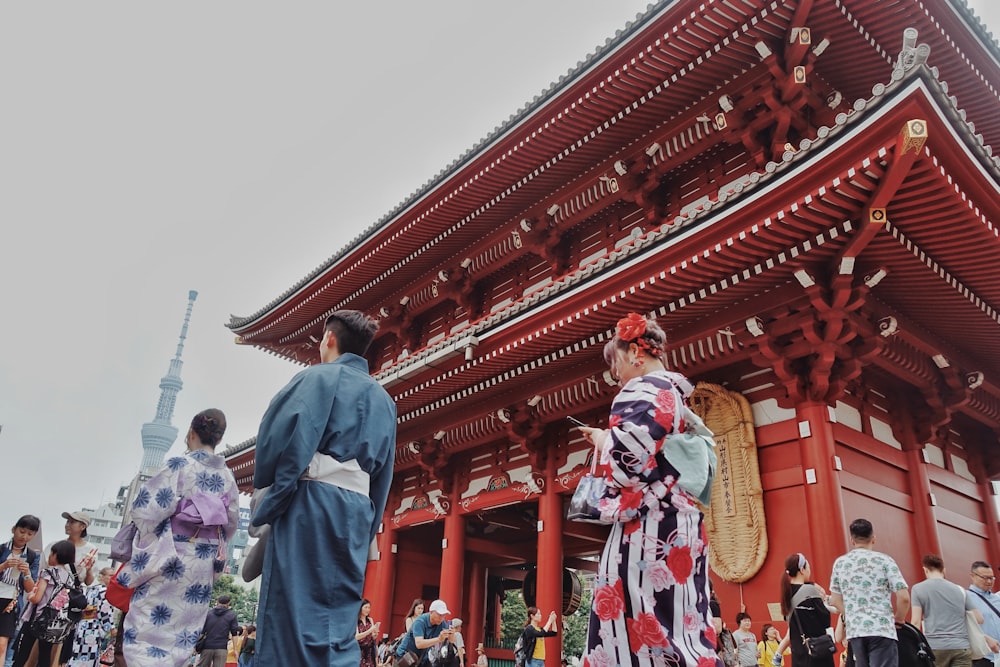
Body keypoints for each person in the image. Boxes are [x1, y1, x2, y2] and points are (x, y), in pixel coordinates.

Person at [251, 310, 396, 666]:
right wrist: (370, 522)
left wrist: (272, 497)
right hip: (356, 511)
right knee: (339, 614)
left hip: (310, 502)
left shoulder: (314, 379)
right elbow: (385, 474)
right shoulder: (385, 401)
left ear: (329, 339)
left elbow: (276, 442)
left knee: (291, 608)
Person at [577, 313, 720, 667]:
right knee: (683, 617)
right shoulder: (675, 397)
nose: (618, 378)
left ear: (633, 354)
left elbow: (628, 465)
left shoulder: (641, 389)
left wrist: (603, 438)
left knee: (643, 621)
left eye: (617, 368)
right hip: (682, 523)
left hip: (649, 528)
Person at [117, 409, 240, 667]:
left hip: (171, 555)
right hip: (202, 565)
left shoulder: (179, 465)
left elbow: (144, 511)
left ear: (191, 433)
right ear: (218, 439)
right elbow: (230, 525)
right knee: (183, 634)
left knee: (148, 627)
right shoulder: (228, 477)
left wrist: (156, 537)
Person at [829, 519, 910, 667]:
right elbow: (903, 597)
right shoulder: (885, 561)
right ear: (874, 539)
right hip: (882, 628)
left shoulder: (840, 563)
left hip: (856, 631)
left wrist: (851, 614)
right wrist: (899, 618)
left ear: (851, 540)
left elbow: (834, 600)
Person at [11, 540, 78, 667]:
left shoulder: (47, 573)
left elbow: (37, 598)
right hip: (54, 622)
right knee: (45, 656)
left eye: (51, 553)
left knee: (23, 652)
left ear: (55, 554)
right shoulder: (70, 578)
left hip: (38, 620)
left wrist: (30, 596)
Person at [910, 555, 979, 667]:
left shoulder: (918, 589)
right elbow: (978, 618)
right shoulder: (960, 590)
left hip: (935, 647)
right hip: (961, 647)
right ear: (944, 570)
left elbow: (916, 622)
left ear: (925, 570)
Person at [778, 553, 833, 667]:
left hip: (798, 655)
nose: (809, 570)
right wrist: (824, 600)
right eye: (808, 567)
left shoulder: (786, 594)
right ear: (802, 570)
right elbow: (825, 620)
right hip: (817, 652)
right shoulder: (810, 591)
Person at [1, 515, 40, 661]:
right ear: (14, 529)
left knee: (2, 644)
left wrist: (27, 573)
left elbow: (31, 588)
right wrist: (4, 566)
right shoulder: (1, 549)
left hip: (11, 603)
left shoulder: (32, 556)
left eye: (29, 534)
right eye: (22, 531)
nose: (24, 536)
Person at [67, 567, 116, 667]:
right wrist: (111, 627)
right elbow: (104, 612)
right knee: (89, 656)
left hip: (82, 625)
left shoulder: (92, 589)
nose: (113, 578)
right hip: (93, 627)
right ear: (102, 577)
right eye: (110, 575)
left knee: (77, 653)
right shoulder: (104, 591)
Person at [395, 599, 453, 667]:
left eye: (444, 615)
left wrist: (452, 634)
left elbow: (451, 641)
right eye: (439, 615)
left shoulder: (442, 623)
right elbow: (419, 644)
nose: (442, 618)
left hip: (422, 657)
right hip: (406, 655)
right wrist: (439, 639)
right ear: (431, 612)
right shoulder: (420, 621)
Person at [966, 561, 1000, 667]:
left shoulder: (997, 598)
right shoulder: (966, 598)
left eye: (992, 578)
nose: (989, 581)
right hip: (983, 657)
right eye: (985, 578)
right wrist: (985, 638)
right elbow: (964, 626)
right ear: (972, 576)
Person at [197, 596, 240, 667]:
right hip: (222, 647)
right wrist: (235, 649)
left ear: (217, 602)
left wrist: (196, 646)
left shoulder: (208, 614)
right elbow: (234, 634)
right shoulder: (232, 615)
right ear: (228, 603)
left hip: (207, 646)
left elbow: (201, 631)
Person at [357, 599, 380, 667]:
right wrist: (370, 630)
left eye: (369, 607)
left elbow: (372, 636)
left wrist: (375, 634)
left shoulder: (370, 620)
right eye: (366, 607)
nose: (368, 609)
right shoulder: (356, 620)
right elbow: (357, 636)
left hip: (369, 652)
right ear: (360, 608)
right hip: (359, 651)